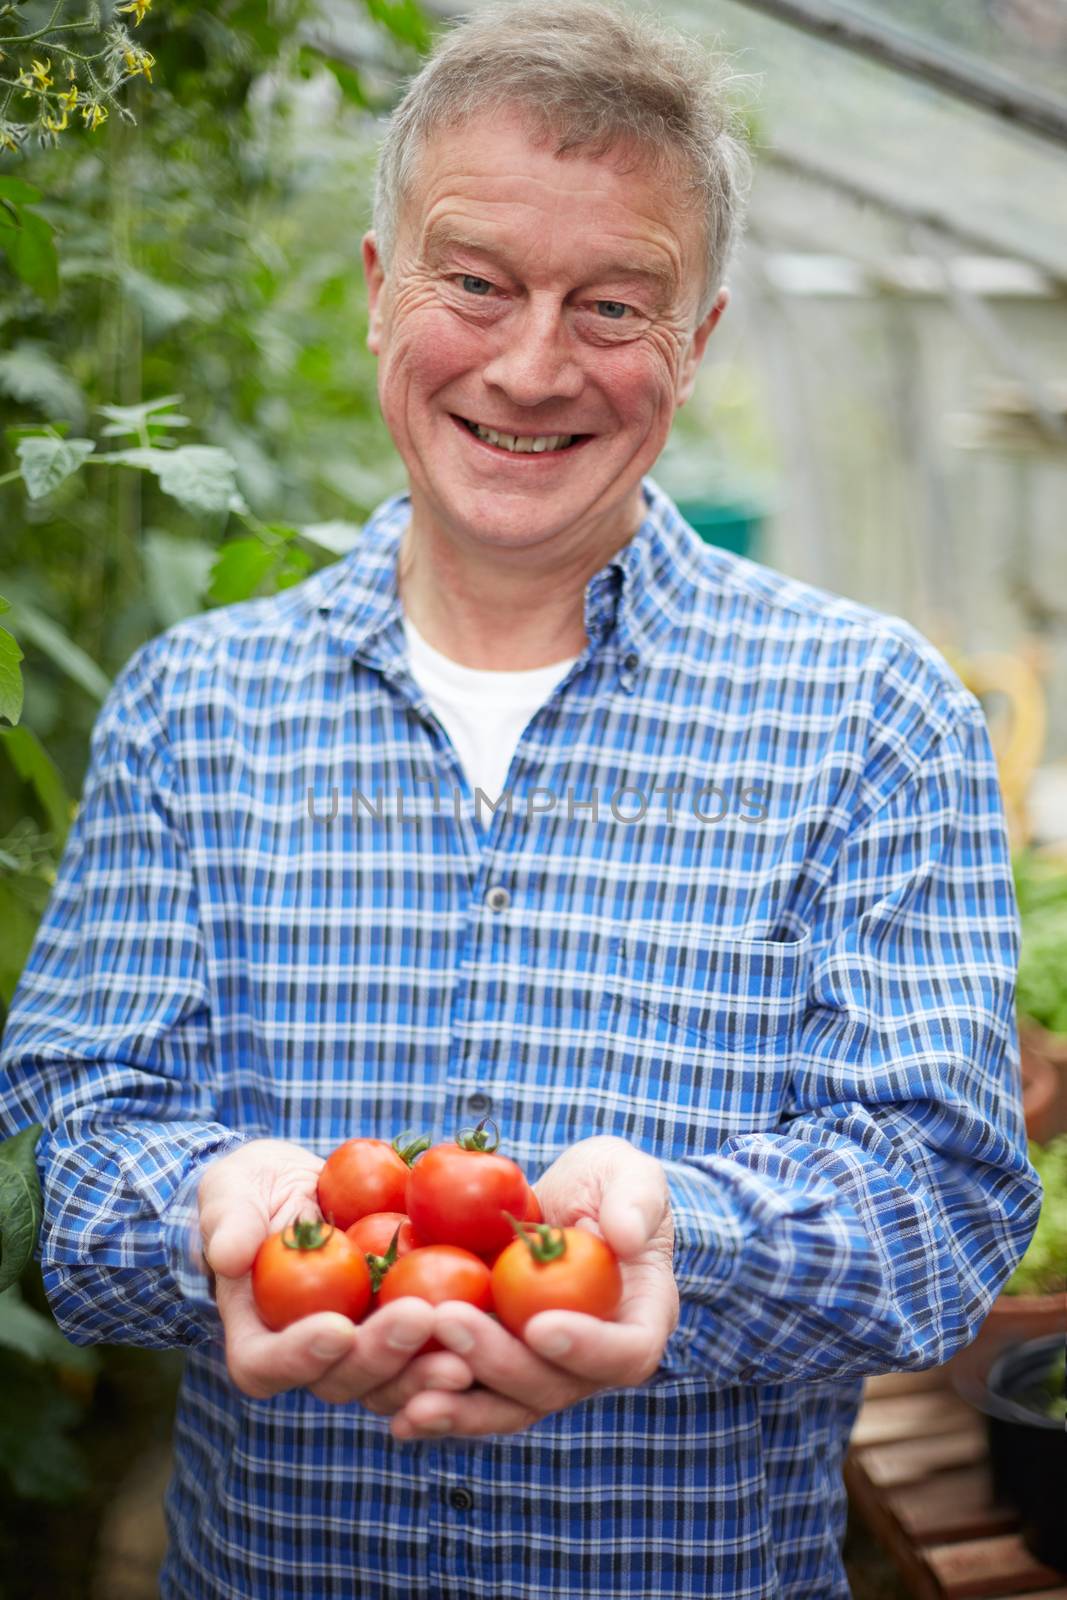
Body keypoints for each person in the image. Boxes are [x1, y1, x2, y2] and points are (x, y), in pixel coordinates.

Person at [0, 3, 1041, 1597]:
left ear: (694, 343)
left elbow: (944, 1197)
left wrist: (674, 1244)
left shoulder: (868, 715)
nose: (534, 364)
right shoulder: (194, 711)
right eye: (475, 282)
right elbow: (77, 1141)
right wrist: (207, 1215)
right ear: (375, 291)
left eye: (614, 305)